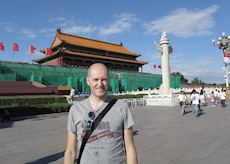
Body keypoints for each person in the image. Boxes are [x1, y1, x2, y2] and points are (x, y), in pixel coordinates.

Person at [64, 63, 138, 164]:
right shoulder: (76, 109)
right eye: (95, 79)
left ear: (108, 81)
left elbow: (129, 148)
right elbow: (70, 151)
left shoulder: (122, 107)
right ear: (88, 81)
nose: (100, 84)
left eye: (104, 79)